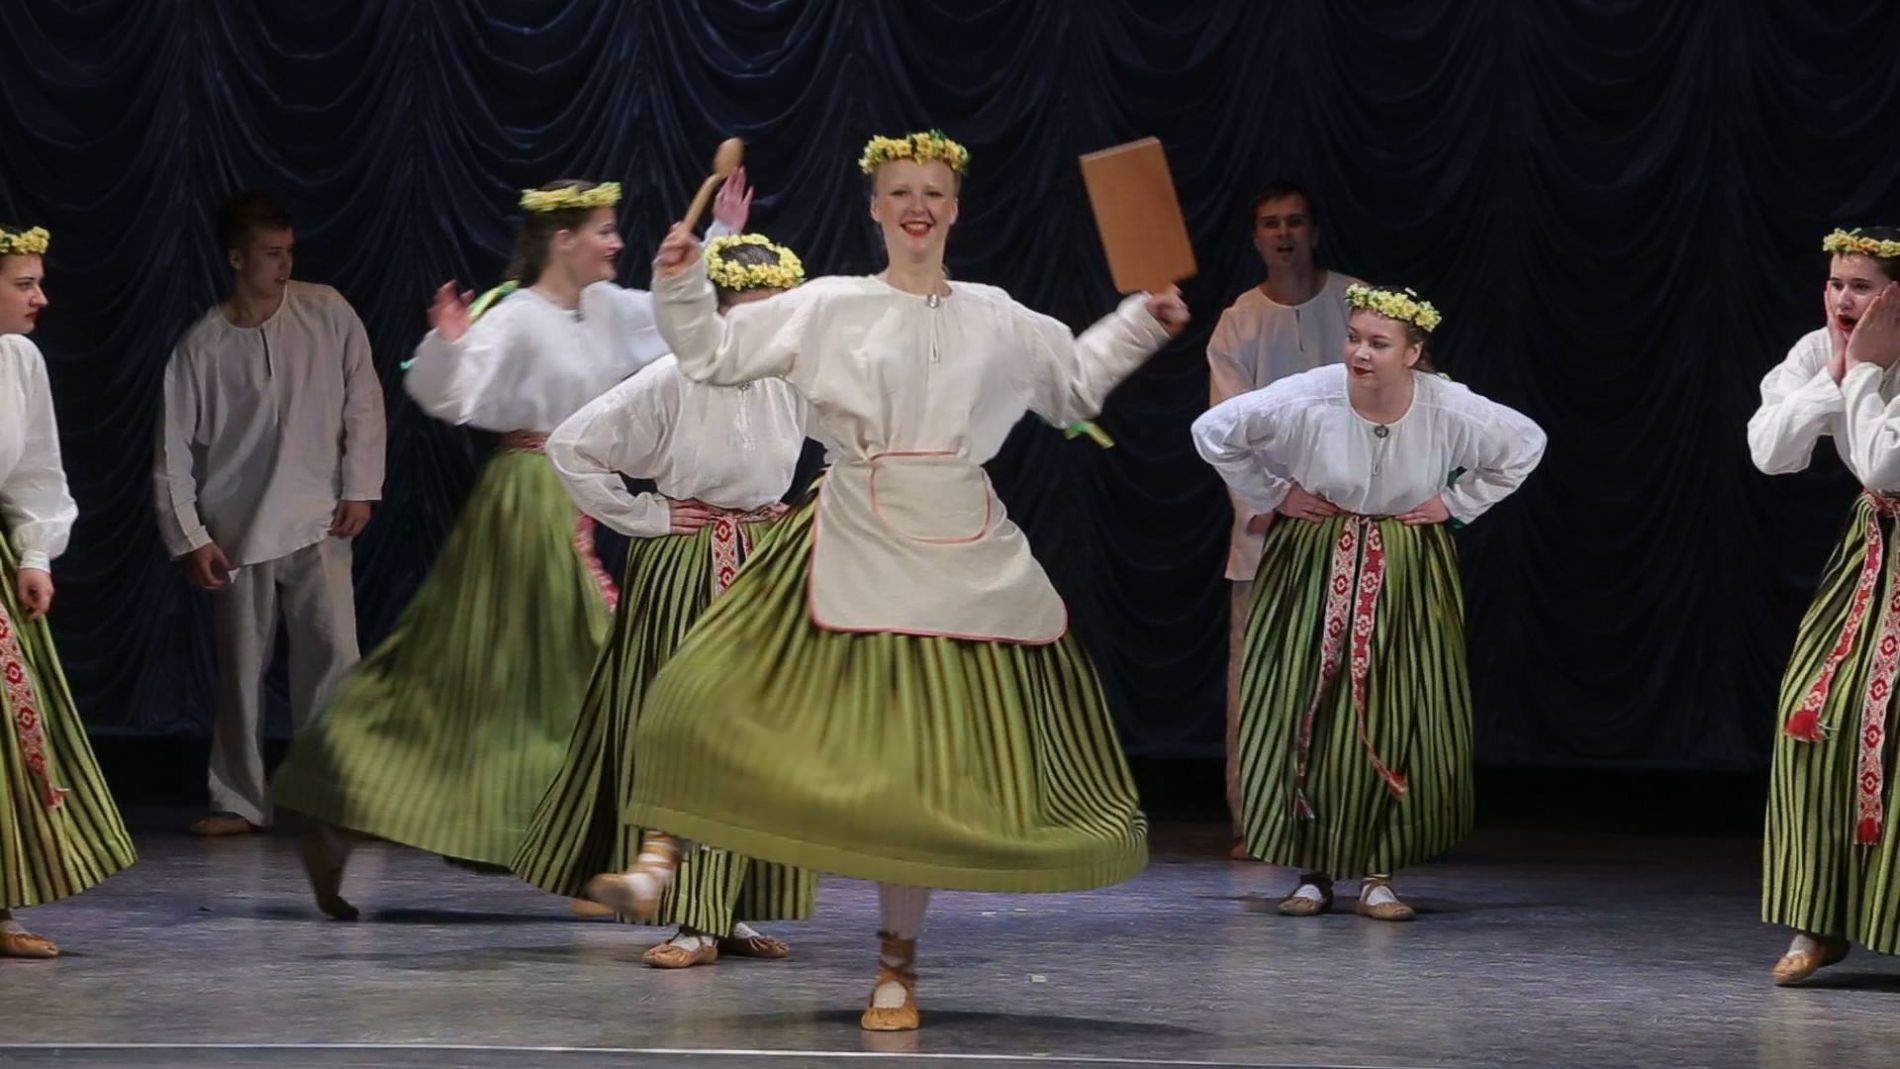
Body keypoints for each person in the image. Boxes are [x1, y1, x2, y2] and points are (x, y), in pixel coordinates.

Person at [598, 131, 1188, 1031]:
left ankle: (895, 964)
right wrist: (679, 282)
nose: (918, 205)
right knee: (702, 685)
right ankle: (662, 855)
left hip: (958, 548)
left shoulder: (995, 314)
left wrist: (1144, 319)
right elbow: (713, 354)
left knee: (916, 775)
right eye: (901, 191)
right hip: (853, 529)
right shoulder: (829, 304)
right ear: (875, 208)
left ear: (955, 209)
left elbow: (1071, 386)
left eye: (933, 191)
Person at [271, 176, 748, 920]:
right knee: (573, 663)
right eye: (604, 230)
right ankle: (353, 804)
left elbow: (676, 320)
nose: (618, 242)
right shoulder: (518, 314)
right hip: (530, 500)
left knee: (540, 676)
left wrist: (715, 240)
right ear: (563, 239)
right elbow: (452, 392)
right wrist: (449, 344)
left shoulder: (604, 308)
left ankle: (576, 853)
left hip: (571, 494)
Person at [1192, 283, 1544, 922]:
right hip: (1316, 553)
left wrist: (1455, 503)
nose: (1359, 353)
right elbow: (1214, 430)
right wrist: (1272, 493)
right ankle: (1312, 869)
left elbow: (1524, 443)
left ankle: (1379, 873)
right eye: (1353, 338)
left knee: (1395, 702)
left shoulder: (1445, 405)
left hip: (1404, 561)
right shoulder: (1312, 394)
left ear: (1412, 353)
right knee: (1307, 698)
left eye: (1378, 343)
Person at [515, 233, 815, 969]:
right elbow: (572, 445)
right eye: (750, 313)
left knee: (754, 737)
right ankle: (692, 915)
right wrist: (645, 514)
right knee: (692, 732)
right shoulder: (672, 377)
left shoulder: (792, 377)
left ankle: (729, 909)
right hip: (688, 559)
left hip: (760, 559)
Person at [154, 191, 385, 838]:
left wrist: (361, 485)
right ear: (237, 258)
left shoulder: (326, 310)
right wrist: (191, 536)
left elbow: (364, 400)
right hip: (237, 530)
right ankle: (239, 799)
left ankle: (337, 797)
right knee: (240, 672)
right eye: (271, 254)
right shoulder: (202, 347)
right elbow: (171, 451)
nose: (285, 265)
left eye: (288, 252)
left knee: (335, 660)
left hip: (319, 519)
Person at [1751, 226, 1900, 985]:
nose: (1843, 298)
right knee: (1813, 713)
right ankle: (1819, 915)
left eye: (1862, 285)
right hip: (1875, 548)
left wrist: (1865, 372)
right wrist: (1835, 374)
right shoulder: (1818, 350)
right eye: (1837, 282)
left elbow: (1883, 460)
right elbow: (1771, 452)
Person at [1207, 182, 1361, 857]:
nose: (1284, 234)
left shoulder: (1356, 303)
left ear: (1314, 232)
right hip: (1269, 533)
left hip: (1351, 521)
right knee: (1261, 681)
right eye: (1271, 223)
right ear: (1256, 238)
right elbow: (1226, 430)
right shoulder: (1239, 322)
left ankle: (1347, 819)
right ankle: (1260, 822)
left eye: (1295, 221)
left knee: (1348, 679)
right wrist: (1272, 499)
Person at [0, 223, 136, 958]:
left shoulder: (18, 360)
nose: (40, 298)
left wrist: (35, 553)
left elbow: (35, 469)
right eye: (24, 284)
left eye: (38, 282)